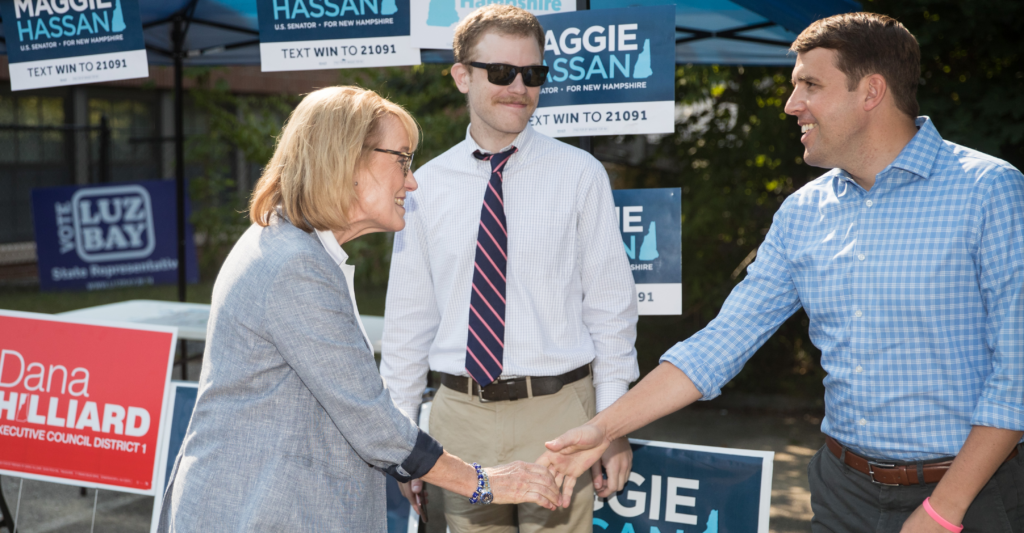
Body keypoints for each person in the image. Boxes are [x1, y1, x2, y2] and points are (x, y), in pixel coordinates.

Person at [539, 12, 1024, 533]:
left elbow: (1015, 374)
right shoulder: (803, 211)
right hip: (843, 493)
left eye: (810, 85)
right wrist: (600, 429)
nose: (792, 106)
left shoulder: (989, 190)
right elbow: (719, 345)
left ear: (872, 91)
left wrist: (943, 510)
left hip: (971, 494)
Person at [157, 86, 563, 532]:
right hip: (260, 512)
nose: (412, 180)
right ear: (348, 160)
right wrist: (482, 483)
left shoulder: (292, 246)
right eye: (403, 161)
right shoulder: (295, 265)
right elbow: (373, 425)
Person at [379, 5, 640, 532]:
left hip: (562, 417)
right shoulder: (421, 187)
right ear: (461, 76)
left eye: (533, 74)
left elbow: (612, 311)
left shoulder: (580, 176)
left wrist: (612, 427)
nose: (518, 87)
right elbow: (408, 325)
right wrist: (403, 438)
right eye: (500, 72)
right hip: (458, 418)